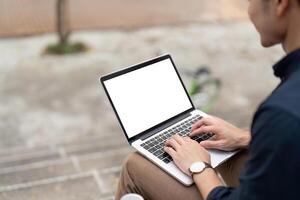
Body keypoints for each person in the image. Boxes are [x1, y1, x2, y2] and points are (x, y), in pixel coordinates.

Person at [115, 0, 300, 199]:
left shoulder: (280, 113)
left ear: (281, 3)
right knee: (225, 148)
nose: (248, 10)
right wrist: (244, 137)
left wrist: (199, 166)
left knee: (134, 165)